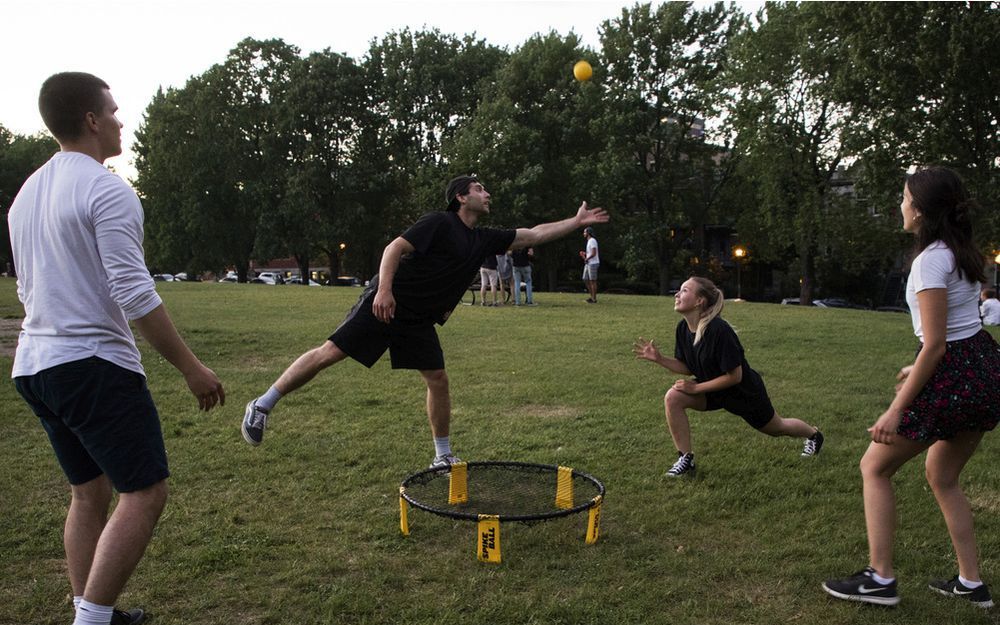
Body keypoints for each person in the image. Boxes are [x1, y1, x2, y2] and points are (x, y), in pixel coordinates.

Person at [8, 73, 225, 625]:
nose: (122, 119)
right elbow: (133, 291)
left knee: (89, 492)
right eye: (114, 109)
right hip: (91, 367)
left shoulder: (28, 192)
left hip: (35, 365)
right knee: (145, 491)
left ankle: (92, 611)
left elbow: (32, 287)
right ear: (92, 119)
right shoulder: (107, 191)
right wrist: (192, 368)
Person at [242, 176, 608, 467]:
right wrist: (384, 291)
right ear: (461, 197)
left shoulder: (483, 239)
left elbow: (535, 233)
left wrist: (576, 222)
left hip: (418, 319)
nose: (487, 193)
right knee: (330, 353)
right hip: (388, 301)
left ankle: (442, 454)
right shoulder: (439, 222)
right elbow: (394, 249)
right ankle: (262, 405)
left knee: (438, 379)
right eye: (480, 189)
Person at [823, 166, 999, 609]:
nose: (899, 205)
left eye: (904, 198)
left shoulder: (929, 261)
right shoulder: (963, 253)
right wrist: (917, 362)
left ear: (919, 210)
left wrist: (897, 408)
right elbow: (957, 329)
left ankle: (880, 579)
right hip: (982, 368)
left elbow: (937, 345)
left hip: (956, 372)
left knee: (874, 467)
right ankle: (971, 584)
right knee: (943, 477)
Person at [633, 276, 823, 477]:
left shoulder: (719, 330)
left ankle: (813, 435)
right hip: (713, 390)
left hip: (743, 392)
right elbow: (688, 367)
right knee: (673, 397)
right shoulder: (682, 329)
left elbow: (735, 376)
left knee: (777, 428)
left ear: (700, 301)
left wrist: (696, 388)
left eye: (685, 290)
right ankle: (685, 459)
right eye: (679, 290)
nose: (677, 294)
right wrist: (659, 359)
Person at [582, 227, 600, 303]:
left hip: (593, 263)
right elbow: (590, 253)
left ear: (588, 233)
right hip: (589, 263)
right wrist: (585, 254)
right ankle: (591, 296)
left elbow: (594, 253)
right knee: (585, 279)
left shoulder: (592, 241)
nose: (583, 234)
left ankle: (594, 299)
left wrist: (587, 258)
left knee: (592, 281)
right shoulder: (589, 241)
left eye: (585, 232)